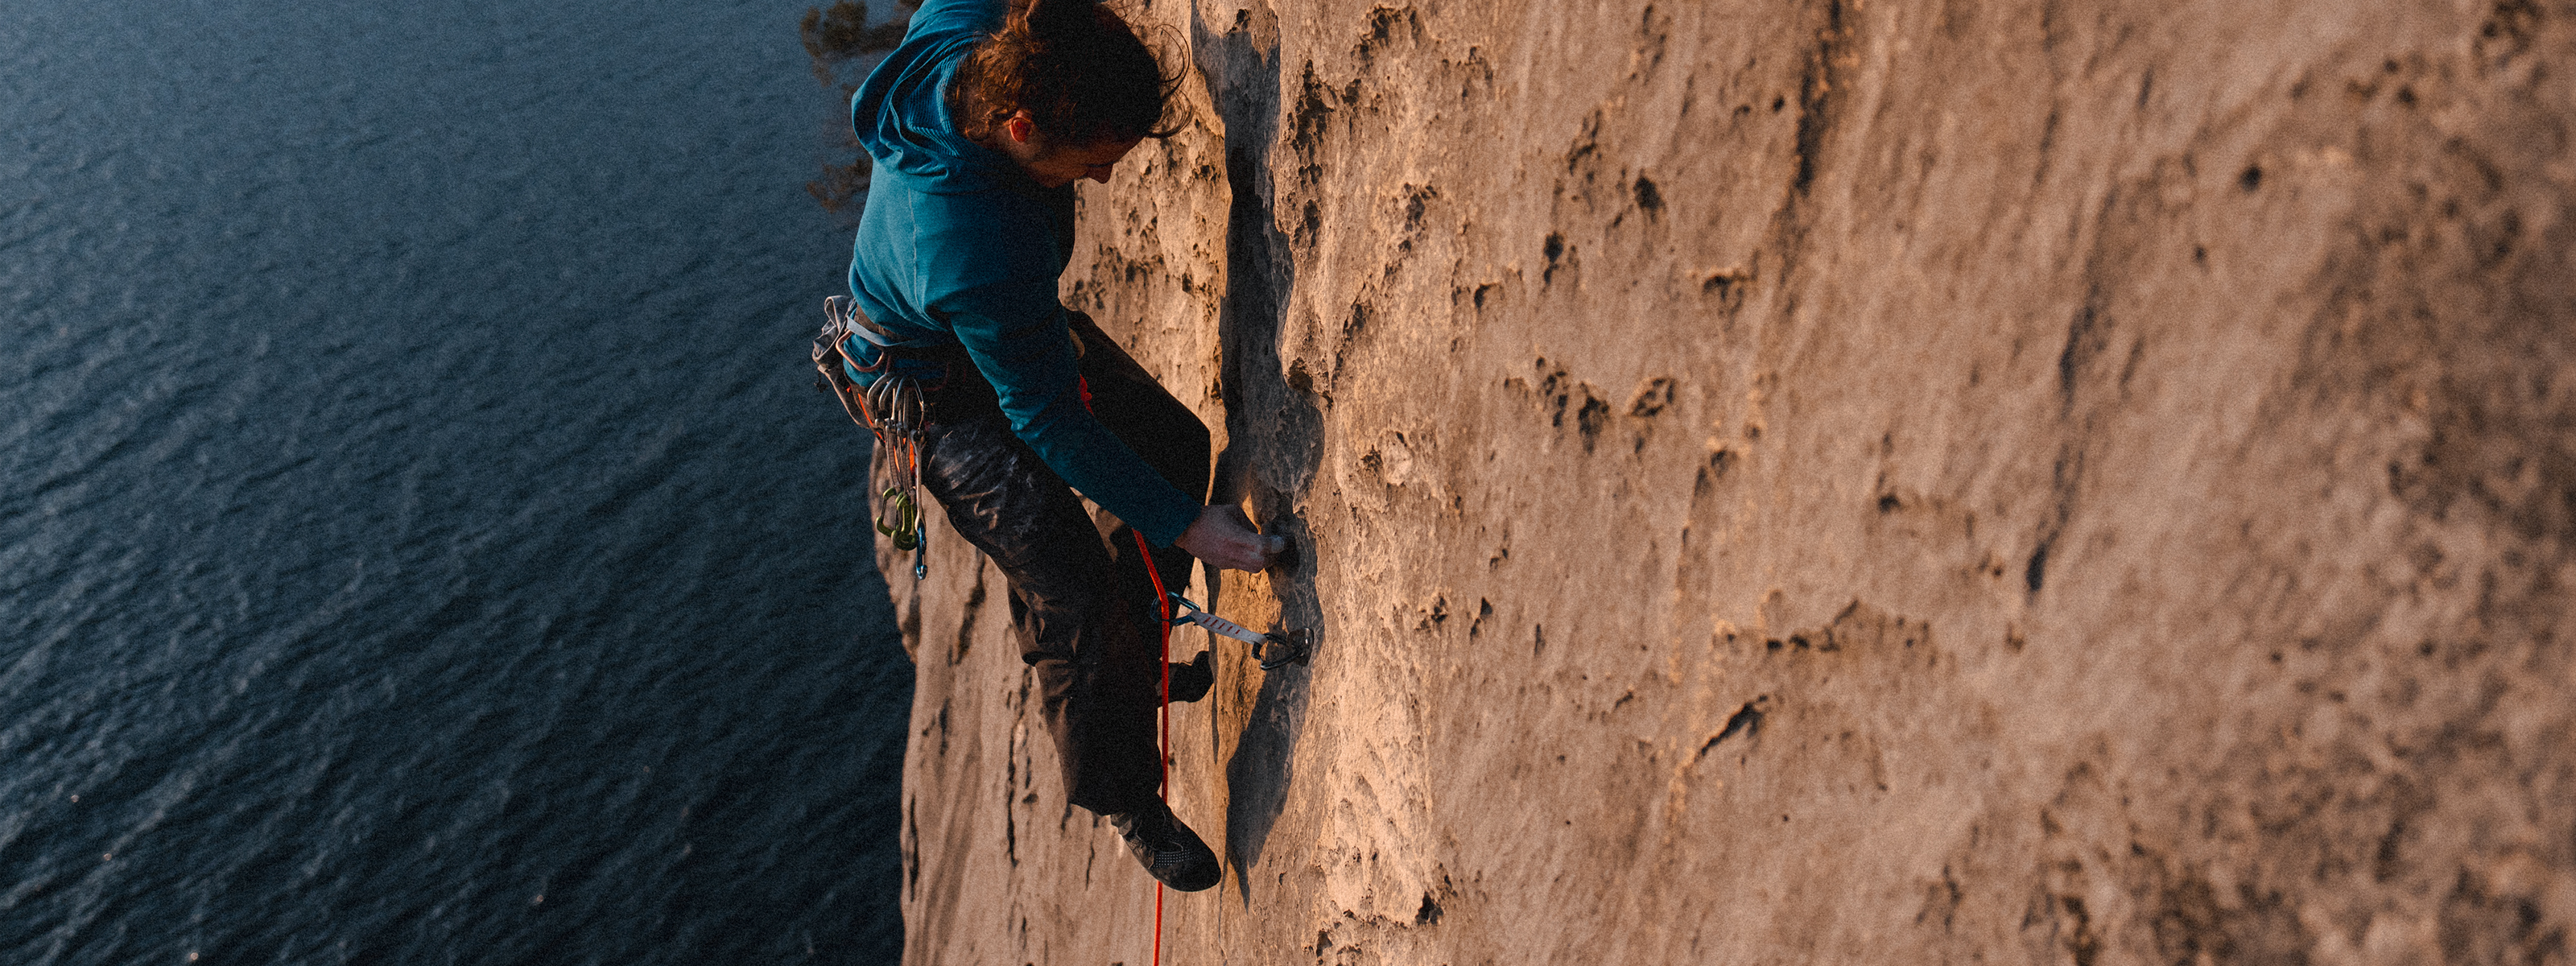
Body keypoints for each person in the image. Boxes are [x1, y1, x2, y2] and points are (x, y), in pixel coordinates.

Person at [834, 0, 1280, 892]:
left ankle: (1136, 654)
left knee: (1167, 443)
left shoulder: (970, 47)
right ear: (1021, 125)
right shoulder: (970, 240)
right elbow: (1045, 421)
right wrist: (1189, 528)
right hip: (934, 396)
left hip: (988, 332)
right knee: (1068, 589)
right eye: (1093, 163)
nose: (1106, 181)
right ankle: (1126, 799)